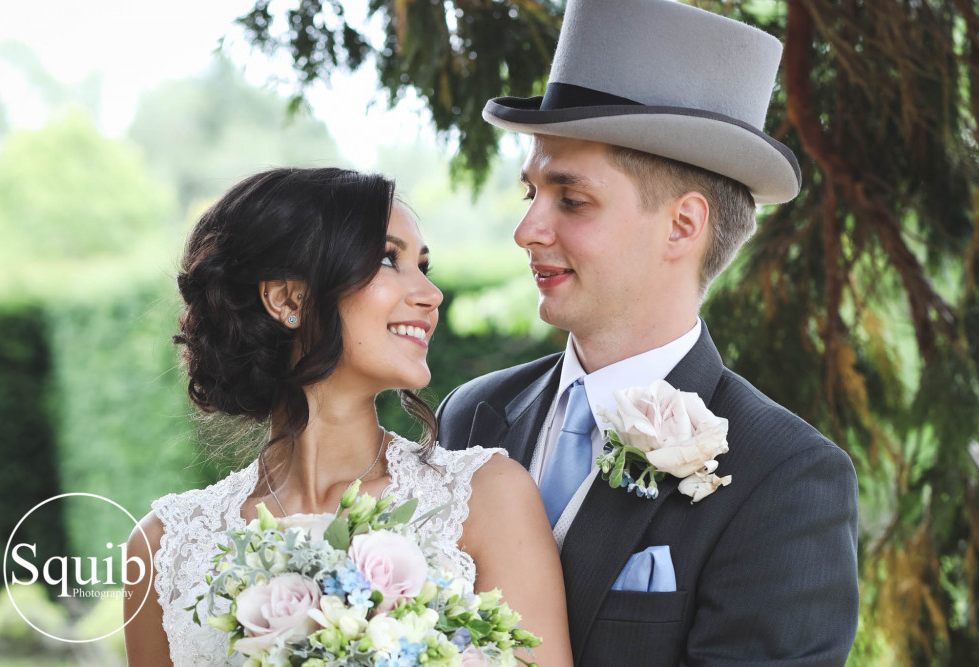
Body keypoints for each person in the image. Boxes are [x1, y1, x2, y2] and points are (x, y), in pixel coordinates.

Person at [437, 1, 859, 665]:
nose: (527, 230)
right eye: (531, 194)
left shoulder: (785, 479)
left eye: (571, 199)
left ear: (683, 226)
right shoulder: (470, 415)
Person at [122, 167, 573, 666]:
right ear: (286, 298)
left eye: (424, 266)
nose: (431, 294)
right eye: (387, 259)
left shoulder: (486, 498)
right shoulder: (165, 548)